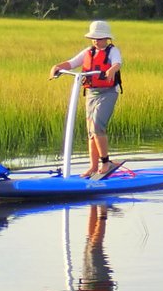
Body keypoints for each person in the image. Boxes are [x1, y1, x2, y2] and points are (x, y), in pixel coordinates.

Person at [49, 20, 123, 178]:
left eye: (100, 38)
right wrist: (57, 67)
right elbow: (71, 63)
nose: (96, 41)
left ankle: (106, 162)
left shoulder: (113, 51)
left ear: (107, 38)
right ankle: (93, 167)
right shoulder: (88, 52)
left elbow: (117, 64)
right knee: (91, 131)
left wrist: (111, 70)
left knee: (97, 126)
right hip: (91, 93)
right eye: (94, 38)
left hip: (108, 92)